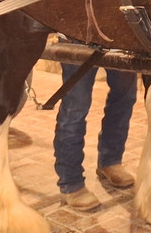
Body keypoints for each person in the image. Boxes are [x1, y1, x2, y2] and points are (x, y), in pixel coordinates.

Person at [53, 57, 138, 211]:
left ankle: (110, 160)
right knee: (76, 105)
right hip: (79, 36)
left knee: (125, 96)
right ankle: (70, 181)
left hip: (121, 39)